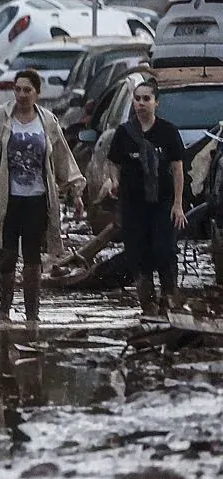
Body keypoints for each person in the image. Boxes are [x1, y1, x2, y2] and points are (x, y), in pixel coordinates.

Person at [0, 68, 84, 324]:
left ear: (37, 93)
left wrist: (76, 189)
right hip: (7, 197)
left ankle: (32, 313)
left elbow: (62, 158)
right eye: (17, 89)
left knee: (32, 256)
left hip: (38, 198)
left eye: (27, 90)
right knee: (6, 254)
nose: (21, 95)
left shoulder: (47, 121)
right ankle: (4, 308)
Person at [106, 77, 188, 318]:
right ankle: (148, 306)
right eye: (137, 99)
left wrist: (178, 204)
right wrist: (114, 181)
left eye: (146, 99)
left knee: (164, 250)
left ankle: (170, 300)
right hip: (133, 204)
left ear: (156, 103)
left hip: (163, 202)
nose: (141, 103)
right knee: (138, 254)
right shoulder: (124, 132)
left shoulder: (168, 132)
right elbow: (113, 162)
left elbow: (177, 169)